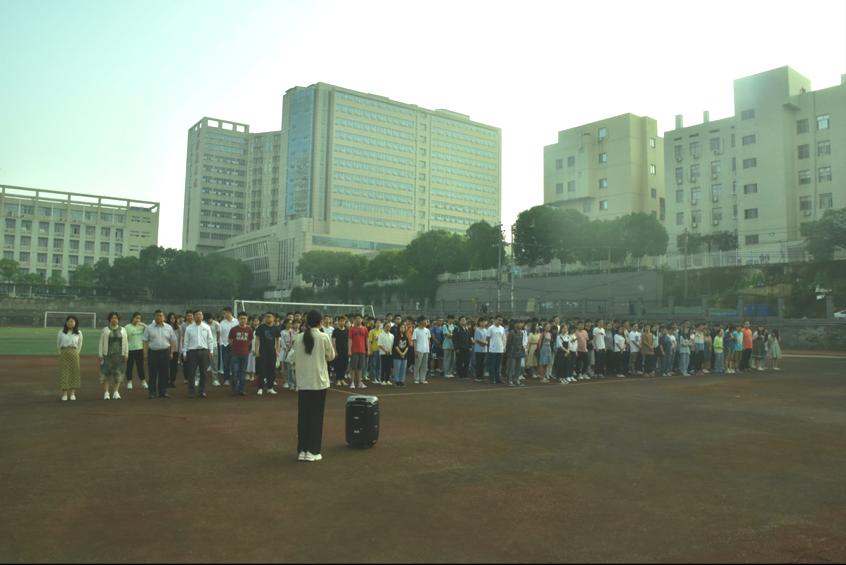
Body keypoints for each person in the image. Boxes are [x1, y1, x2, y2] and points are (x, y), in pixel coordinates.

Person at [293, 310, 336, 462]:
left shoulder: (298, 337)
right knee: (316, 417)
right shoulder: (323, 337)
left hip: (303, 382)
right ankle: (313, 450)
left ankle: (302, 450)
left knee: (303, 417)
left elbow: (293, 356)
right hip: (318, 382)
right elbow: (331, 356)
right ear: (320, 322)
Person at [143, 310, 177, 399]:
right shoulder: (149, 328)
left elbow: (173, 340)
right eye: (157, 315)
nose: (159, 317)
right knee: (152, 373)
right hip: (153, 353)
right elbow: (145, 341)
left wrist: (172, 352)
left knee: (164, 373)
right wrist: (145, 354)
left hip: (165, 352)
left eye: (160, 315)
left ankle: (163, 391)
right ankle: (152, 392)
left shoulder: (169, 327)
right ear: (154, 317)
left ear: (164, 317)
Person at [182, 310, 216, 399]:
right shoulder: (189, 328)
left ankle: (202, 391)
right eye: (196, 315)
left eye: (200, 314)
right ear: (194, 316)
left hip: (204, 351)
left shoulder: (206, 327)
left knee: (203, 373)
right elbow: (186, 341)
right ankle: (191, 392)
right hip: (192, 352)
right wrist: (184, 352)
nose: (198, 316)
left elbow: (210, 340)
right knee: (191, 372)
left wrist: (211, 351)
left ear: (202, 316)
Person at [99, 312, 128, 400]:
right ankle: (106, 392)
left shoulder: (123, 330)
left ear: (118, 320)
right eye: (112, 318)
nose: (114, 319)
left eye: (116, 318)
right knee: (106, 374)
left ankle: (116, 392)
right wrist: (100, 354)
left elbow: (126, 343)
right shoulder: (105, 330)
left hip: (119, 356)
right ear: (109, 319)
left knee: (118, 374)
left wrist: (126, 354)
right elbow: (101, 343)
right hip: (107, 355)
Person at [254, 312, 281, 396]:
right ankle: (260, 388)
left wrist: (277, 350)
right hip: (262, 351)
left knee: (272, 370)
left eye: (269, 317)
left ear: (273, 318)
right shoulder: (260, 328)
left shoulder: (276, 328)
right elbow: (257, 339)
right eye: (266, 317)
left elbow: (277, 340)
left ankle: (270, 387)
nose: (268, 318)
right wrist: (257, 350)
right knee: (261, 370)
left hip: (272, 352)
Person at [57, 315, 83, 401]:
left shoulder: (79, 333)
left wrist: (76, 353)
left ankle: (72, 393)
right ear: (66, 322)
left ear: (75, 323)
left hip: (74, 353)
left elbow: (80, 344)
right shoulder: (61, 332)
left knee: (74, 372)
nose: (70, 323)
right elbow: (58, 344)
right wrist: (61, 352)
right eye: (68, 321)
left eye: (72, 321)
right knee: (64, 373)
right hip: (64, 353)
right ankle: (64, 394)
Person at [229, 313, 254, 396]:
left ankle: (242, 389)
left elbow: (250, 341)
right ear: (238, 319)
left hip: (245, 354)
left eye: (244, 318)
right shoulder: (233, 329)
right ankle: (234, 390)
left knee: (243, 373)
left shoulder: (249, 329)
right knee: (235, 372)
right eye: (241, 318)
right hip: (235, 354)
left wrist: (246, 349)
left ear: (247, 320)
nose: (243, 320)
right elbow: (230, 341)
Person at [124, 312, 148, 391]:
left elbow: (150, 330)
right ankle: (129, 382)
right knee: (129, 367)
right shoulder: (127, 327)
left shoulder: (142, 327)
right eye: (136, 318)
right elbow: (124, 339)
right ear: (133, 318)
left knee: (140, 367)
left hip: (139, 349)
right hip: (130, 350)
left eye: (139, 318)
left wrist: (143, 324)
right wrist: (125, 351)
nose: (137, 320)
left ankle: (143, 382)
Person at [219, 307, 239, 387]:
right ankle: (226, 379)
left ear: (229, 313)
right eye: (223, 313)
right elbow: (220, 334)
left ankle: (235, 379)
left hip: (235, 345)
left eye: (225, 313)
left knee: (235, 363)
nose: (224, 315)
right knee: (226, 363)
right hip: (225, 345)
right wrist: (222, 343)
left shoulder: (237, 322)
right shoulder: (222, 323)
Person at [348, 315, 369, 390]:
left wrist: (368, 349)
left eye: (359, 319)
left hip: (362, 350)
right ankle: (352, 382)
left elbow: (367, 339)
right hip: (354, 350)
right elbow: (350, 339)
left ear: (362, 320)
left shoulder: (365, 328)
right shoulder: (352, 329)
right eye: (356, 319)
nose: (358, 320)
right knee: (353, 367)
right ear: (354, 320)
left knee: (360, 367)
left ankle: (359, 382)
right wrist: (349, 350)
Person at [505, 320, 526, 387]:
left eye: (521, 323)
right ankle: (509, 380)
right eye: (519, 323)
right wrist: (509, 351)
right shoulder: (511, 332)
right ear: (515, 324)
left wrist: (522, 350)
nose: (521, 325)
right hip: (512, 352)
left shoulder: (521, 333)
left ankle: (516, 379)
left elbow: (521, 343)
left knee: (518, 367)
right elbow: (509, 343)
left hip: (519, 352)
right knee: (511, 367)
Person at [412, 317, 431, 384]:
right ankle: (416, 378)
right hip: (419, 350)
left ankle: (422, 379)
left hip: (426, 350)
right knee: (417, 365)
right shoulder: (416, 330)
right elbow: (414, 341)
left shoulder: (427, 330)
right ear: (420, 322)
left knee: (424, 366)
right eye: (424, 321)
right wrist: (415, 351)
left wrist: (428, 348)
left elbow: (428, 340)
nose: (426, 322)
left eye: (426, 321)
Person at [486, 317, 506, 384]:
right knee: (492, 364)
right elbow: (487, 338)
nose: (500, 321)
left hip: (500, 349)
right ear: (495, 320)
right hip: (493, 349)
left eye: (501, 320)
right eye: (498, 320)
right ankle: (492, 379)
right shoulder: (490, 328)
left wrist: (504, 347)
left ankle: (498, 378)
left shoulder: (502, 328)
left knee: (498, 365)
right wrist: (491, 345)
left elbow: (503, 338)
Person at [332, 316, 350, 387]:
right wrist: (335, 351)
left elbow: (348, 341)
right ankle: (338, 380)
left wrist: (349, 350)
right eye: (341, 321)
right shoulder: (335, 331)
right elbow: (333, 341)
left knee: (344, 365)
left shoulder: (347, 330)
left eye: (343, 321)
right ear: (338, 321)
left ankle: (342, 379)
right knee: (338, 365)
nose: (342, 322)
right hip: (338, 350)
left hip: (345, 350)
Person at [392, 320, 410, 387]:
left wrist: (404, 353)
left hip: (404, 355)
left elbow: (407, 346)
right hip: (397, 355)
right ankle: (397, 381)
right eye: (401, 327)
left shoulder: (405, 337)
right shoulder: (396, 336)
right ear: (399, 328)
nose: (403, 329)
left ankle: (401, 381)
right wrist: (401, 353)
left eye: (404, 327)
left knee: (403, 369)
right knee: (397, 369)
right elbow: (396, 346)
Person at [377, 321, 395, 385]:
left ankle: (387, 380)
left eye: (389, 326)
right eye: (387, 326)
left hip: (390, 353)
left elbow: (392, 344)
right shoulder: (381, 335)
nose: (388, 327)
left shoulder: (392, 335)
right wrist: (385, 351)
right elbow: (379, 344)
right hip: (383, 353)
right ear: (384, 327)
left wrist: (389, 350)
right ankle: (382, 380)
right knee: (383, 367)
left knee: (389, 367)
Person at [167, 313, 181, 387]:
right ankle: (167, 380)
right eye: (171, 318)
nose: (172, 319)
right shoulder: (166, 327)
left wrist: (180, 350)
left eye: (173, 318)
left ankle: (172, 380)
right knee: (166, 366)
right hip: (166, 349)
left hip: (175, 349)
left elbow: (180, 339)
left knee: (174, 366)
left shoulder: (178, 328)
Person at [473, 318, 489, 382]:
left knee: (483, 363)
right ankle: (478, 377)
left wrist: (486, 342)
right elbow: (476, 339)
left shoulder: (486, 330)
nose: (483, 323)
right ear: (479, 323)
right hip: (478, 349)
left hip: (484, 349)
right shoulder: (477, 330)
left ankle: (481, 376)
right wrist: (483, 343)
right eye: (481, 322)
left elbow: (487, 338)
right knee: (479, 363)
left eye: (484, 322)